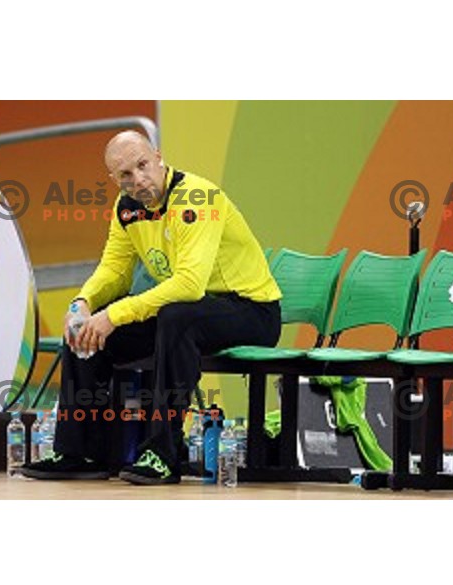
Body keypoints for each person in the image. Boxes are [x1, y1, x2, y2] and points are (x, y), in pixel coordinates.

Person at [21, 131, 281, 485]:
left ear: (158, 157)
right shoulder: (127, 208)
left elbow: (190, 285)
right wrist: (82, 304)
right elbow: (114, 269)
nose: (138, 180)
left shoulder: (197, 198)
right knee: (89, 331)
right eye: (125, 174)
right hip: (193, 311)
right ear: (114, 179)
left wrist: (114, 315)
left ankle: (162, 454)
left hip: (251, 311)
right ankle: (80, 452)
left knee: (175, 317)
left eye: (143, 165)